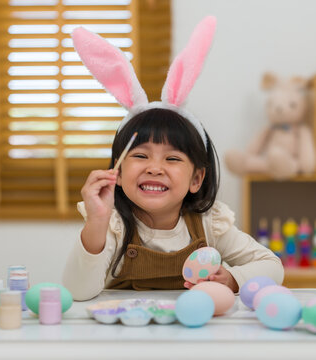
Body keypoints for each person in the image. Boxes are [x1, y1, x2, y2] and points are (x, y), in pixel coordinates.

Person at [62, 16, 284, 301]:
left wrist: (232, 278)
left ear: (196, 179)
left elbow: (272, 267)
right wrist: (97, 221)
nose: (154, 168)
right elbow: (76, 292)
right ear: (116, 171)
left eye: (172, 159)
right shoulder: (113, 225)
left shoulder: (209, 222)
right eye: (140, 155)